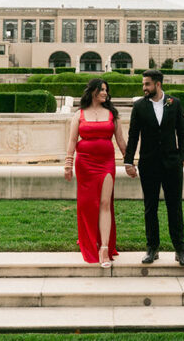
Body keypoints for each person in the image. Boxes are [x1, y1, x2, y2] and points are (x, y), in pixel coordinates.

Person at [124, 69, 184, 266]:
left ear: (158, 85)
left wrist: (181, 158)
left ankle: (180, 250)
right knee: (150, 208)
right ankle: (152, 248)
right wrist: (129, 161)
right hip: (149, 164)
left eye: (147, 84)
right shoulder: (139, 106)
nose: (144, 88)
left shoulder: (174, 103)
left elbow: (182, 132)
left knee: (175, 207)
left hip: (172, 164)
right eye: (144, 84)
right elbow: (133, 135)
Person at [64, 78, 127, 267]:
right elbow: (72, 140)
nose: (105, 93)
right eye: (102, 90)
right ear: (92, 91)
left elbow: (121, 140)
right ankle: (89, 240)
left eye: (106, 90)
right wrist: (68, 163)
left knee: (105, 202)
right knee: (87, 205)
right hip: (84, 163)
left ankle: (104, 248)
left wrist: (130, 161)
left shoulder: (112, 114)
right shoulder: (79, 115)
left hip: (106, 163)